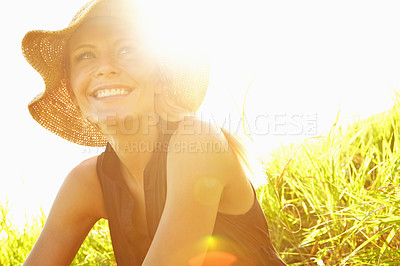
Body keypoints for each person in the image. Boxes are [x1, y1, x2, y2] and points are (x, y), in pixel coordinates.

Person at [22, 0, 286, 265]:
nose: (105, 67)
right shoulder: (86, 182)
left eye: (125, 50)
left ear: (160, 77)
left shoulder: (196, 141)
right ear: (71, 90)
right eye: (86, 55)